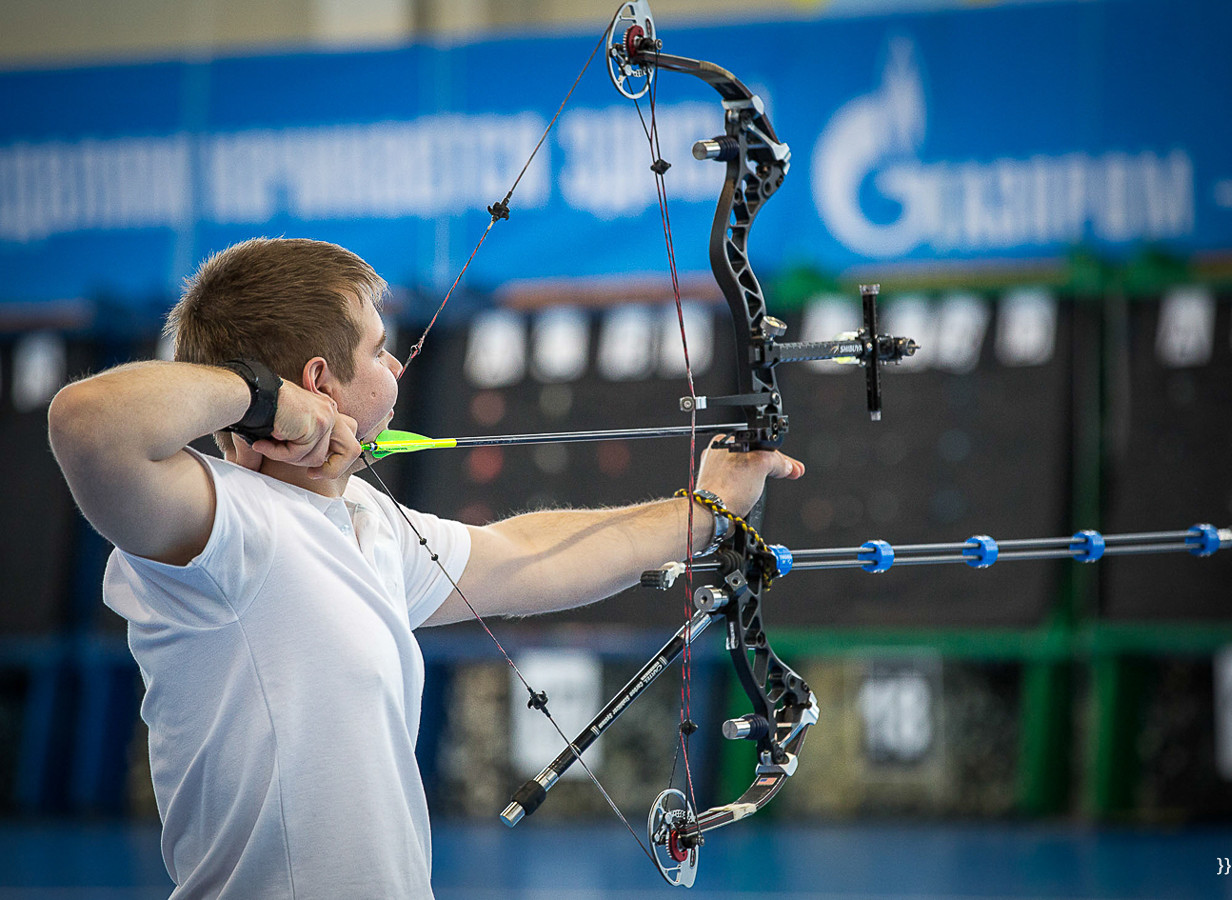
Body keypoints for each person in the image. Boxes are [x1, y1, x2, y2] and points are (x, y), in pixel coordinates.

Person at [46, 237, 804, 899]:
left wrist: (703, 511)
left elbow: (527, 556)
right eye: (378, 349)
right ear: (318, 381)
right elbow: (87, 423)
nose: (394, 368)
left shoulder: (366, 522)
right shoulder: (221, 526)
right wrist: (260, 396)